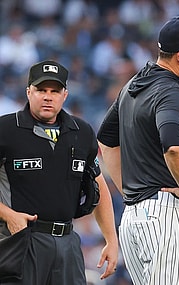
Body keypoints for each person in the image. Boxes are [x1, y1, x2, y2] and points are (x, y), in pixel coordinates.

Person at [96, 16, 179, 284]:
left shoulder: (132, 85)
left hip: (133, 218)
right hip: (166, 216)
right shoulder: (170, 91)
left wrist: (131, 193)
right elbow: (174, 147)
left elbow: (106, 141)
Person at [0, 60, 118, 284]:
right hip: (20, 241)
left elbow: (98, 183)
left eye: (55, 91)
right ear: (28, 92)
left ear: (65, 95)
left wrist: (111, 239)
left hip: (67, 243)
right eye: (41, 90)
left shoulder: (81, 132)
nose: (48, 96)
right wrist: (9, 215)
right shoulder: (6, 130)